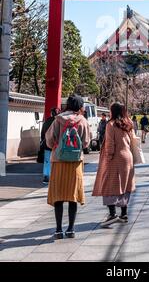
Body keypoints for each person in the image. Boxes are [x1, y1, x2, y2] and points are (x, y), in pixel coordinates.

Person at [45, 94, 90, 239]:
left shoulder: (58, 120)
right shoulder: (82, 121)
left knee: (58, 196)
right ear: (80, 106)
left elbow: (49, 141)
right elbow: (86, 143)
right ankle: (71, 229)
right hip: (75, 163)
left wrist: (57, 146)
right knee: (72, 196)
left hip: (58, 161)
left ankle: (58, 230)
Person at [92, 102, 136, 226]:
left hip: (115, 158)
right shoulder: (128, 124)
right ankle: (124, 214)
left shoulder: (110, 125)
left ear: (113, 111)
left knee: (109, 185)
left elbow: (110, 144)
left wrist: (108, 157)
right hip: (128, 158)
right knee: (125, 185)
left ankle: (112, 214)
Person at [40, 107, 60, 184]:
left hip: (47, 144)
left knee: (47, 161)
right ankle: (55, 176)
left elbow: (42, 134)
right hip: (56, 145)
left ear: (51, 113)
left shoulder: (47, 121)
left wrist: (43, 140)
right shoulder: (59, 121)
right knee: (56, 160)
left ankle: (46, 177)